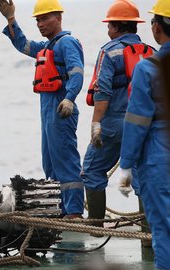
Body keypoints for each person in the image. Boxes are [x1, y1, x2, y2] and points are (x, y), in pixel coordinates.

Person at [0, 0, 85, 218]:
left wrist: (70, 98)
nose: (40, 24)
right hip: (48, 111)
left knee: (66, 160)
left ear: (59, 18)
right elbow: (22, 45)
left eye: (45, 19)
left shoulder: (67, 43)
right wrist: (11, 19)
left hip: (62, 108)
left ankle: (73, 212)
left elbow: (77, 72)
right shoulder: (46, 47)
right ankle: (58, 209)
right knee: (50, 163)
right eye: (38, 20)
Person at [81, 0, 150, 229]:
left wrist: (95, 126)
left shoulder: (108, 52)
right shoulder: (152, 52)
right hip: (144, 125)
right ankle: (149, 236)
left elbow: (102, 93)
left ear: (117, 27)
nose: (107, 29)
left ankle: (96, 229)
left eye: (109, 25)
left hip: (113, 124)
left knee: (92, 169)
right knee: (144, 176)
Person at [117, 0, 170, 268]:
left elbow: (137, 121)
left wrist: (125, 165)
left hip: (159, 158)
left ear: (157, 27)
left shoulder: (148, 68)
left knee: (164, 228)